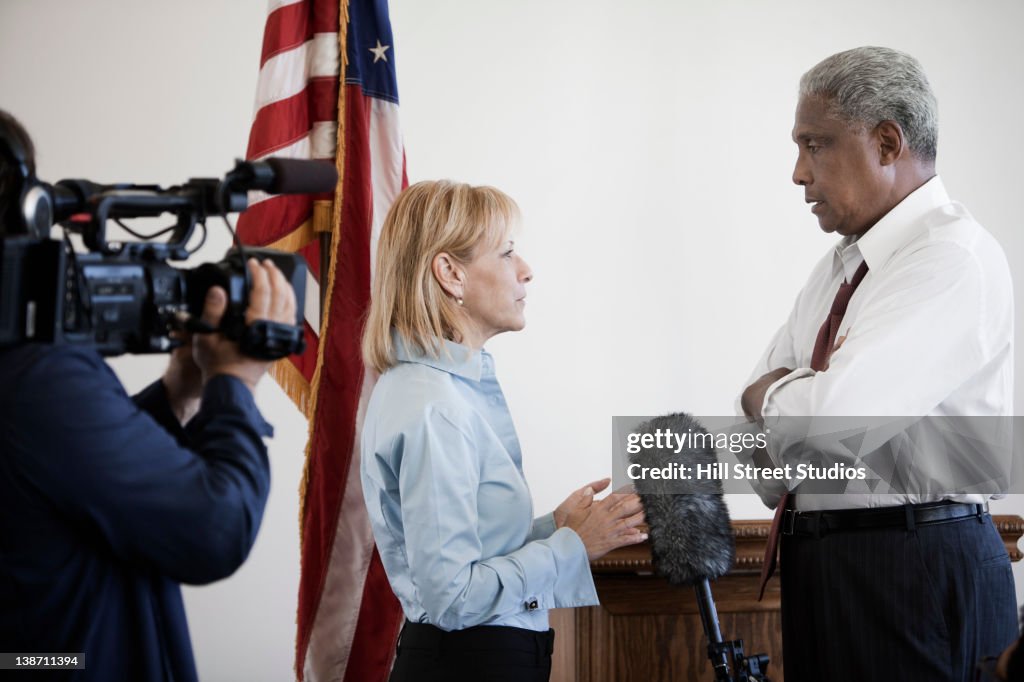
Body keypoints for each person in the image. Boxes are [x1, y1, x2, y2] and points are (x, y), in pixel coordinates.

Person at [738, 47, 1018, 681]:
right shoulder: (834, 271)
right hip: (827, 563)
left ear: (888, 142)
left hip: (910, 559)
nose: (797, 174)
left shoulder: (950, 257)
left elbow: (831, 416)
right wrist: (788, 404)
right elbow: (758, 456)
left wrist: (777, 399)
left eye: (815, 145)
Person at [0, 110, 297, 681]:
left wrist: (177, 394)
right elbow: (215, 529)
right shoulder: (38, 374)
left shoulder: (27, 376)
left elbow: (60, 481)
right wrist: (234, 383)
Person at [360, 180, 648, 682]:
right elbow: (452, 597)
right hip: (468, 663)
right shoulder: (436, 407)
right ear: (450, 273)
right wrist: (572, 546)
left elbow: (470, 554)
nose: (526, 270)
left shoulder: (437, 391)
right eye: (507, 252)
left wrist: (553, 528)